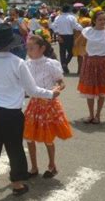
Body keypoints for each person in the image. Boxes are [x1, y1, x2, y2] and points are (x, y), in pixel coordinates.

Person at [0, 24, 60, 198]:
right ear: (10, 43)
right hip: (12, 113)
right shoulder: (18, 63)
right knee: (15, 149)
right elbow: (32, 90)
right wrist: (52, 93)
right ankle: (17, 183)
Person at [24, 35, 72, 178]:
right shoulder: (26, 64)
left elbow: (61, 82)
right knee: (29, 137)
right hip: (34, 104)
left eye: (32, 48)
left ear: (42, 48)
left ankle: (52, 165)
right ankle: (33, 167)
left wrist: (56, 90)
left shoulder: (51, 64)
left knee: (47, 137)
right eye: (28, 47)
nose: (29, 50)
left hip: (49, 104)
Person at [52, 5, 83, 74]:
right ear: (69, 10)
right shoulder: (72, 17)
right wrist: (83, 29)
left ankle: (64, 65)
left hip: (60, 36)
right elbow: (76, 26)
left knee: (62, 52)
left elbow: (53, 26)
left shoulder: (57, 17)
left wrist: (57, 35)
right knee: (71, 52)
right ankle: (65, 63)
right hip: (69, 36)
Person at [73, 7, 92, 75]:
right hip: (86, 39)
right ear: (86, 12)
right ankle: (86, 70)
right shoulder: (89, 20)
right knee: (86, 55)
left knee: (79, 55)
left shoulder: (76, 20)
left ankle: (79, 70)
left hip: (77, 38)